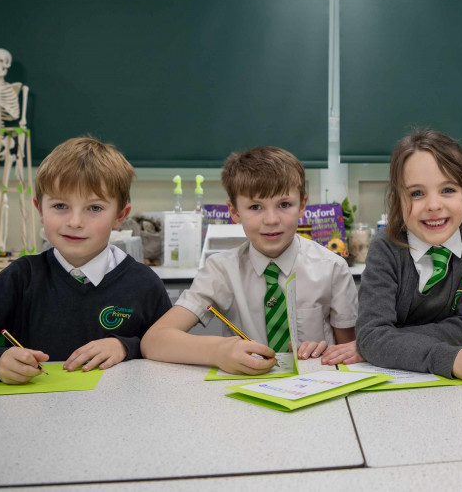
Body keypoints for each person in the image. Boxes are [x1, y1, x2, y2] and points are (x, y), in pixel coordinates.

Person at [0, 137, 171, 383]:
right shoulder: (22, 277)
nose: (75, 222)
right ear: (40, 210)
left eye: (95, 208)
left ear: (120, 216)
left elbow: (174, 349)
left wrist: (126, 346)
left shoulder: (144, 283)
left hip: (124, 414)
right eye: (60, 206)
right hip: (37, 413)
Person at [141, 146, 360, 374]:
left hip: (316, 389)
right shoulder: (221, 270)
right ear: (234, 212)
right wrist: (218, 351)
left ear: (302, 205)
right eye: (255, 207)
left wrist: (329, 352)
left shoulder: (332, 267)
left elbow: (349, 351)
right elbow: (153, 341)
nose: (272, 219)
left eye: (284, 205)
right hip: (245, 392)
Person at [356, 129, 462, 380]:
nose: (433, 205)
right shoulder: (385, 247)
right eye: (416, 193)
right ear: (397, 201)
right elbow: (372, 336)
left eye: (448, 190)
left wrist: (390, 341)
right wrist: (445, 357)